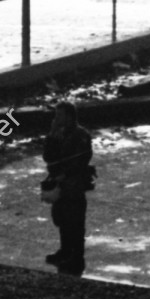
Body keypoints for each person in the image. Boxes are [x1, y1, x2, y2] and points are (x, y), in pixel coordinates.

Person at [42, 100, 95, 276]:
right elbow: (48, 156)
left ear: (69, 116)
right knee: (62, 218)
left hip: (74, 184)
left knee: (75, 221)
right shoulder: (59, 134)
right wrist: (51, 135)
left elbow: (81, 160)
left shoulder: (81, 135)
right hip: (61, 183)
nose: (56, 119)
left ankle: (76, 256)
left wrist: (64, 174)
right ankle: (65, 251)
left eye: (59, 115)